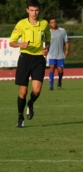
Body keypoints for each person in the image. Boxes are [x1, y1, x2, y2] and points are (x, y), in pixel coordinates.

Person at [9, 0, 50, 128]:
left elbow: (48, 39)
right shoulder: (21, 24)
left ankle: (31, 103)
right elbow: (12, 42)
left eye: (36, 10)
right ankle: (20, 118)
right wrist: (21, 44)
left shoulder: (44, 24)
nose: (34, 13)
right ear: (27, 10)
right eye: (31, 10)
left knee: (36, 91)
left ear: (39, 10)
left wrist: (46, 48)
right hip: (25, 58)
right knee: (23, 91)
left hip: (39, 59)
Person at [48, 17, 70, 90]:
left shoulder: (62, 31)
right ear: (50, 24)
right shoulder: (48, 32)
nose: (54, 24)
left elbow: (66, 42)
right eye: (52, 22)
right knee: (52, 69)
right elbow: (46, 43)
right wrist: (45, 50)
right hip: (51, 54)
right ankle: (51, 86)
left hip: (60, 54)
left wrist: (67, 50)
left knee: (60, 70)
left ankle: (59, 81)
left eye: (55, 22)